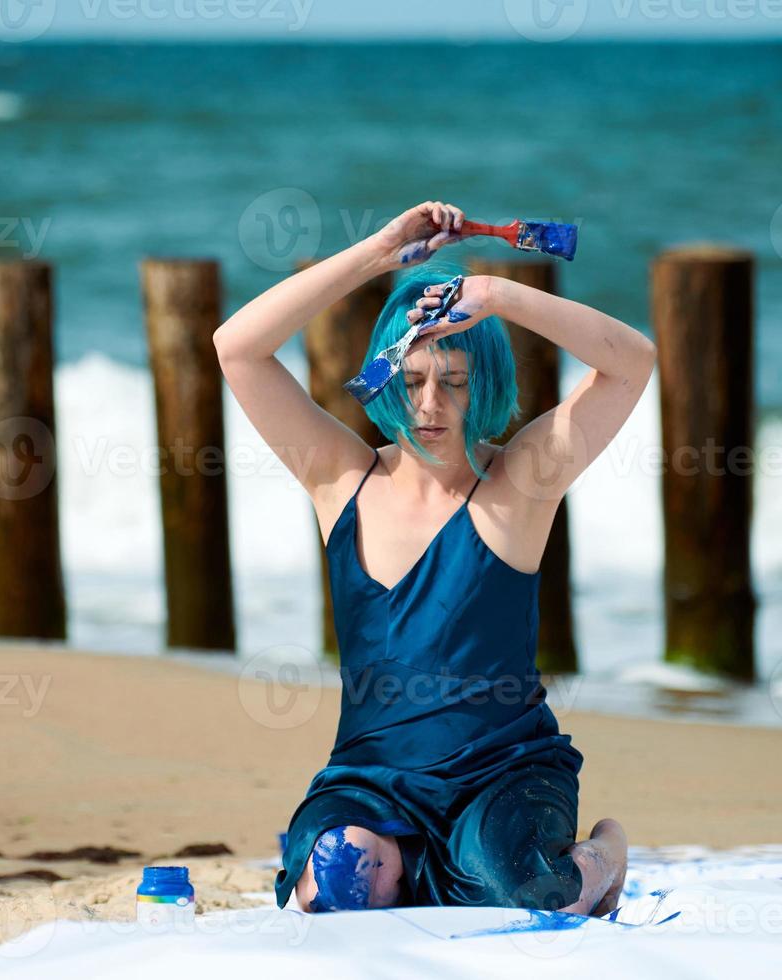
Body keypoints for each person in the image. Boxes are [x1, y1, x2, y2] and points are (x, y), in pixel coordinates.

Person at [213, 200, 656, 916]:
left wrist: (497, 295)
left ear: (482, 386)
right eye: (411, 380)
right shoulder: (340, 479)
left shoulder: (518, 486)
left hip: (502, 775)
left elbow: (633, 364)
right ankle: (397, 867)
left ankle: (605, 853)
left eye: (452, 381)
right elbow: (237, 347)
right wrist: (379, 252)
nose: (429, 406)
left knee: (530, 897)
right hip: (372, 779)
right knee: (339, 883)